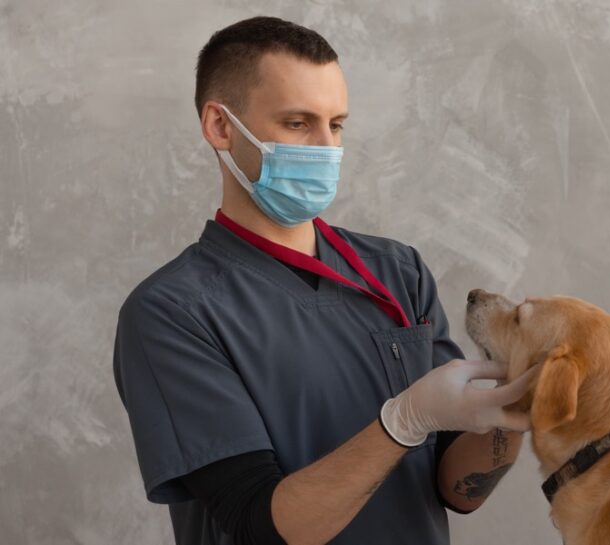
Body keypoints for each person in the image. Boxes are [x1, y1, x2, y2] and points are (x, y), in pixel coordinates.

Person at [113, 16, 536, 545]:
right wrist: (403, 420)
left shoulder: (397, 272)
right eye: (297, 123)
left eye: (336, 124)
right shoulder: (172, 312)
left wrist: (510, 411)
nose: (325, 147)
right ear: (220, 127)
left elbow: (458, 491)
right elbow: (259, 526)